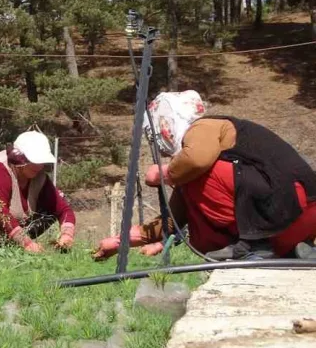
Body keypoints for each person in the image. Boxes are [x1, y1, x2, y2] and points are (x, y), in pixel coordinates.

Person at [93, 90, 316, 261]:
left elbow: (197, 159)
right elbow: (173, 221)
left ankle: (256, 246)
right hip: (293, 217)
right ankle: (291, 251)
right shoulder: (190, 172)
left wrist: (165, 173)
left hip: (292, 203)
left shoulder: (204, 127)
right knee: (191, 192)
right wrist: (119, 241)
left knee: (198, 176)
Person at [0, 130, 77, 253]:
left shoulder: (39, 177)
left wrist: (67, 235)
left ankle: (13, 247)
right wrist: (26, 243)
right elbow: (0, 212)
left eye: (41, 162)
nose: (39, 166)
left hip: (9, 225)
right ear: (18, 158)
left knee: (53, 206)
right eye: (34, 161)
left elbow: (63, 208)